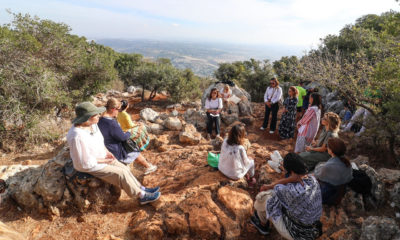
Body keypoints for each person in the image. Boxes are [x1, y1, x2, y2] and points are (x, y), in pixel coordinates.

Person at [66, 102, 160, 205]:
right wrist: (104, 160)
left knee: (125, 168)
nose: (99, 115)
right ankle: (141, 196)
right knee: (121, 174)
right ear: (88, 118)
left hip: (102, 157)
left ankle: (141, 188)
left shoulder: (93, 125)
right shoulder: (77, 136)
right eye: (96, 114)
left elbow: (100, 141)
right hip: (90, 165)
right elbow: (84, 161)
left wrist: (107, 152)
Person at [251, 153, 322, 239]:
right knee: (274, 199)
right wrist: (293, 176)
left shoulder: (290, 190)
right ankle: (262, 217)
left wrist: (289, 179)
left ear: (291, 171)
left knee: (263, 197)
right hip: (313, 228)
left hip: (297, 233)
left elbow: (274, 187)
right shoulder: (313, 180)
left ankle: (263, 225)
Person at [98, 98, 157, 175]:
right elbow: (122, 137)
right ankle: (148, 166)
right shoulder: (111, 123)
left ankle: (146, 166)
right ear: (113, 109)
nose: (119, 112)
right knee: (133, 148)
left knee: (130, 145)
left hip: (106, 145)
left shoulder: (100, 119)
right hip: (114, 149)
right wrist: (128, 133)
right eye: (118, 110)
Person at [314, 138, 353, 205]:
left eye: (328, 146)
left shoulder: (329, 166)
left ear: (331, 151)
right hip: (341, 193)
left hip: (329, 196)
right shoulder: (347, 163)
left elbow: (318, 174)